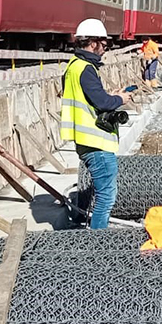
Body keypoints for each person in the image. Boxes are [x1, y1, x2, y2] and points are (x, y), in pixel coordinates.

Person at [61, 19, 132, 229]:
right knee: (106, 196)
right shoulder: (86, 69)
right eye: (104, 44)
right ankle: (97, 239)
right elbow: (102, 103)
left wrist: (110, 96)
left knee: (103, 194)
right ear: (93, 43)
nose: (105, 49)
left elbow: (90, 99)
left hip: (85, 140)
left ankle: (94, 235)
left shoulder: (74, 66)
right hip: (96, 142)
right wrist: (119, 99)